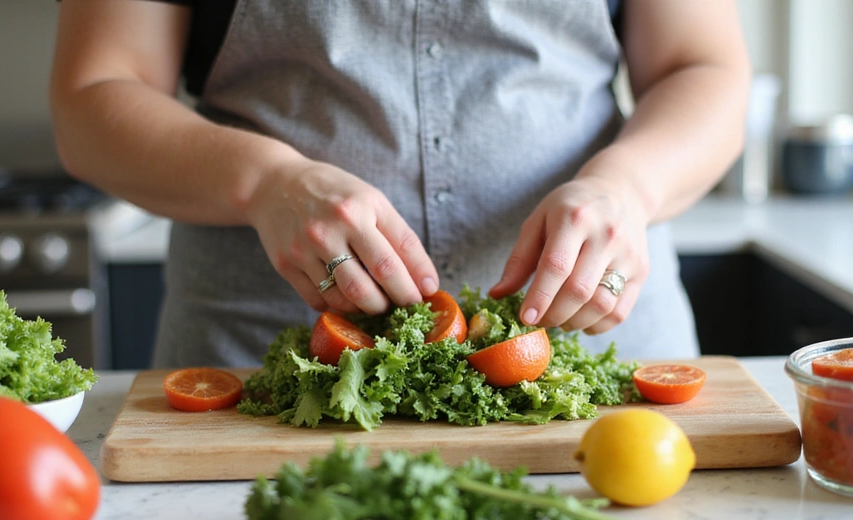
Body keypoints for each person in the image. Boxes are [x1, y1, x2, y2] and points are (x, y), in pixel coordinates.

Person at [49, 0, 750, 368]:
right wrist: (268, 181)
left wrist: (626, 187)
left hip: (590, 351)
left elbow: (703, 68)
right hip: (271, 367)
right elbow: (93, 97)